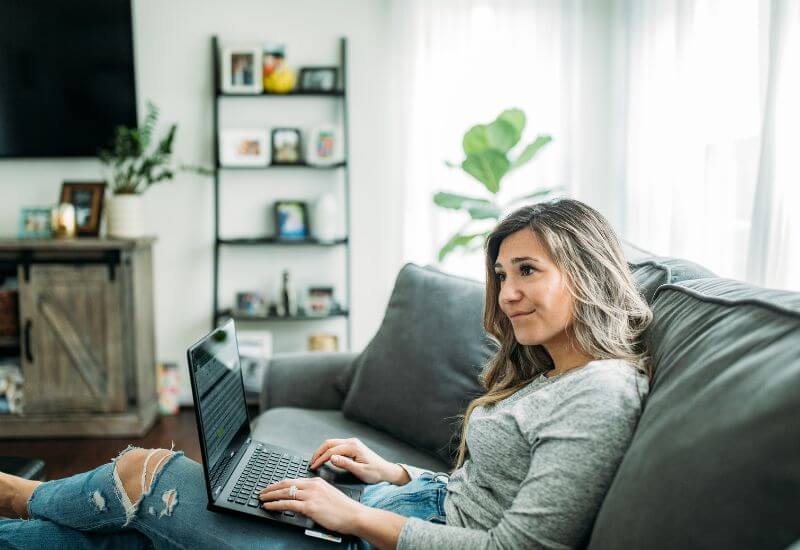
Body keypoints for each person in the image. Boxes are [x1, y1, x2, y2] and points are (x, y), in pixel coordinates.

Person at [0, 198, 652, 549]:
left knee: (148, 473)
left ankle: (19, 495)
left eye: (528, 271)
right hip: (401, 510)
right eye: (503, 275)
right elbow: (482, 496)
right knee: (135, 538)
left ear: (585, 268)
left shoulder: (598, 393)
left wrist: (353, 517)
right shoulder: (555, 374)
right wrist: (393, 473)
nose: (507, 294)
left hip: (374, 538)